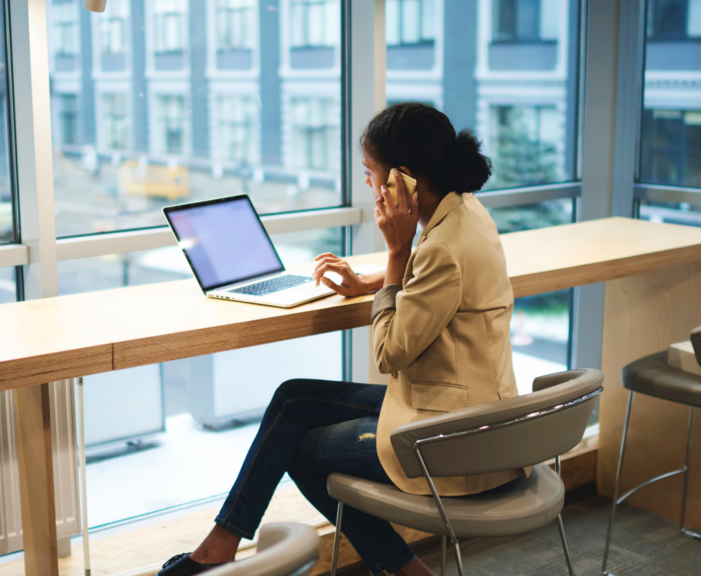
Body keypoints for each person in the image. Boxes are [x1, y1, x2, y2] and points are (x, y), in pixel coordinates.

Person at [157, 103, 521, 576]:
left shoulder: (442, 247)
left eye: (371, 174)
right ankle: (218, 548)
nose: (368, 186)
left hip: (449, 439)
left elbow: (389, 353)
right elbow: (439, 280)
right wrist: (371, 280)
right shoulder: (464, 211)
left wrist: (394, 252)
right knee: (292, 400)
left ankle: (407, 573)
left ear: (402, 179)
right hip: (474, 411)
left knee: (303, 453)